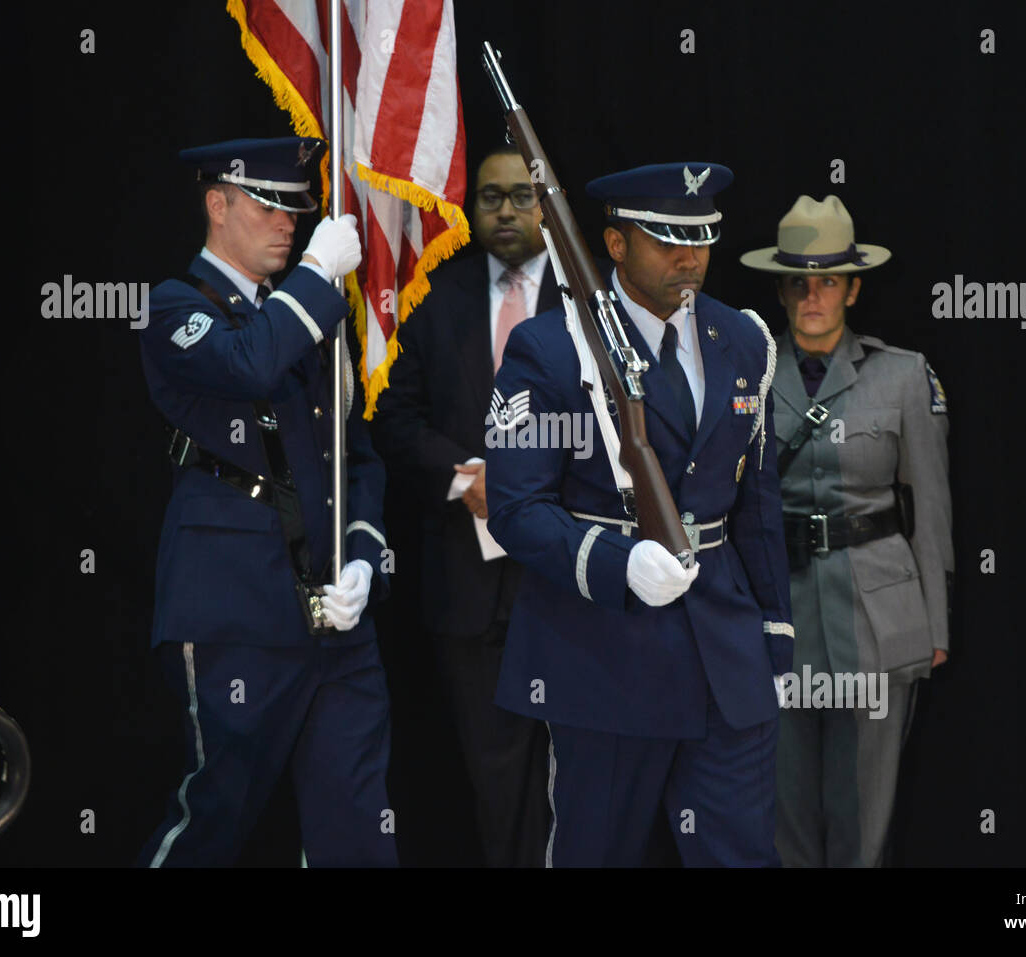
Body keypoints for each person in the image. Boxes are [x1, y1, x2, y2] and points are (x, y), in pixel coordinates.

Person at [486, 163, 794, 867]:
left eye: (701, 239)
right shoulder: (552, 348)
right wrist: (615, 560)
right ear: (616, 243)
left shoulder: (744, 340)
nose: (690, 258)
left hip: (724, 648)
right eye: (666, 240)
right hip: (603, 648)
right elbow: (516, 507)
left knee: (742, 855)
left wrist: (775, 629)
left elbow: (758, 501)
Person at [136, 137, 395, 867]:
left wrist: (365, 560)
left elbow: (359, 456)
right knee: (213, 816)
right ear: (216, 205)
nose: (290, 221)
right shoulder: (173, 306)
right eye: (269, 204)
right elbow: (245, 364)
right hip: (233, 610)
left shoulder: (314, 315)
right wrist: (317, 276)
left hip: (336, 616)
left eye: (298, 206)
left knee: (359, 826)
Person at [740, 194, 954, 867]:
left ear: (853, 287)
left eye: (828, 280)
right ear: (780, 289)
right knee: (787, 815)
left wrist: (936, 625)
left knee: (865, 821)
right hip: (779, 618)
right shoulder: (748, 374)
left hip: (877, 614)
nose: (813, 295)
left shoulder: (902, 376)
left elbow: (931, 505)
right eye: (799, 281)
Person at [371, 144, 558, 866]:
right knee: (497, 780)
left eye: (521, 195)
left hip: (571, 583)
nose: (505, 209)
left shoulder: (591, 300)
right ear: (470, 205)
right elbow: (392, 419)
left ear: (546, 204)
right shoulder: (430, 297)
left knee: (582, 774)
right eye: (489, 196)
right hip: (469, 587)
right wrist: (462, 474)